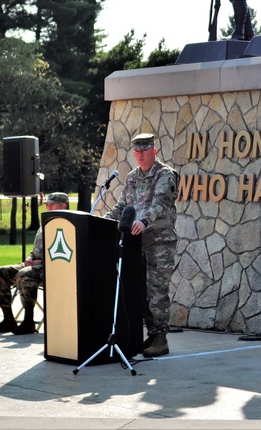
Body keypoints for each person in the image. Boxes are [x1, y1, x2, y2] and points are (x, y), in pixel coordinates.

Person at [106, 132, 178, 358]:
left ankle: (161, 338)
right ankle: (152, 333)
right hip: (136, 244)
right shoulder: (132, 177)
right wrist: (101, 220)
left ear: (154, 151)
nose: (140, 155)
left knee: (156, 290)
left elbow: (160, 204)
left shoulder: (165, 174)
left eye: (144, 150)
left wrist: (143, 220)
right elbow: (121, 207)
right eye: (136, 151)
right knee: (140, 291)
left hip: (160, 242)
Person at [0, 192, 69, 335]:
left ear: (63, 205)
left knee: (25, 275)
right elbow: (35, 249)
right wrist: (30, 258)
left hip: (51, 269)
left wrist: (41, 261)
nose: (48, 207)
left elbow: (65, 255)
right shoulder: (45, 223)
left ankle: (28, 321)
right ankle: (8, 319)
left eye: (51, 204)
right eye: (47, 204)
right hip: (34, 265)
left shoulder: (67, 225)